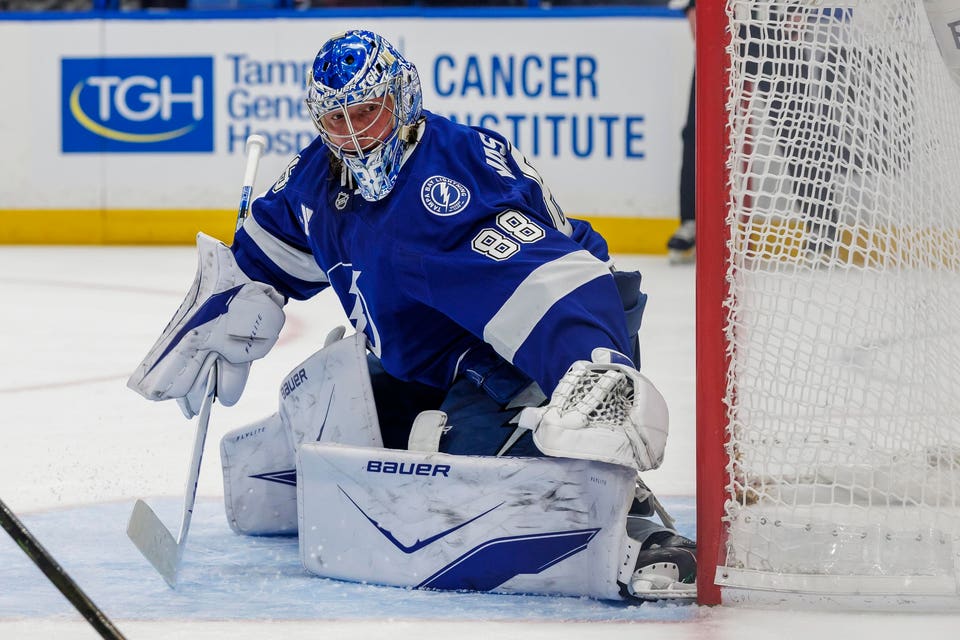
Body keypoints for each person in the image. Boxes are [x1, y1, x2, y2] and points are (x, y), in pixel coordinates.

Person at [127, 29, 695, 603]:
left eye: (368, 113)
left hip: (525, 354)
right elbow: (270, 249)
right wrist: (237, 296)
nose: (352, 136)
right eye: (335, 119)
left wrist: (590, 365)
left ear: (402, 100)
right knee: (323, 417)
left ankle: (632, 516)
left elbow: (550, 286)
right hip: (430, 357)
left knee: (462, 472)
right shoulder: (317, 178)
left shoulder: (450, 184)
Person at [666, 0, 696, 264]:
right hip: (723, 22)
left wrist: (797, 8)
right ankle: (692, 221)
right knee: (697, 133)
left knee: (794, 125)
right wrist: (693, 6)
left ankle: (821, 226)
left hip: (773, 22)